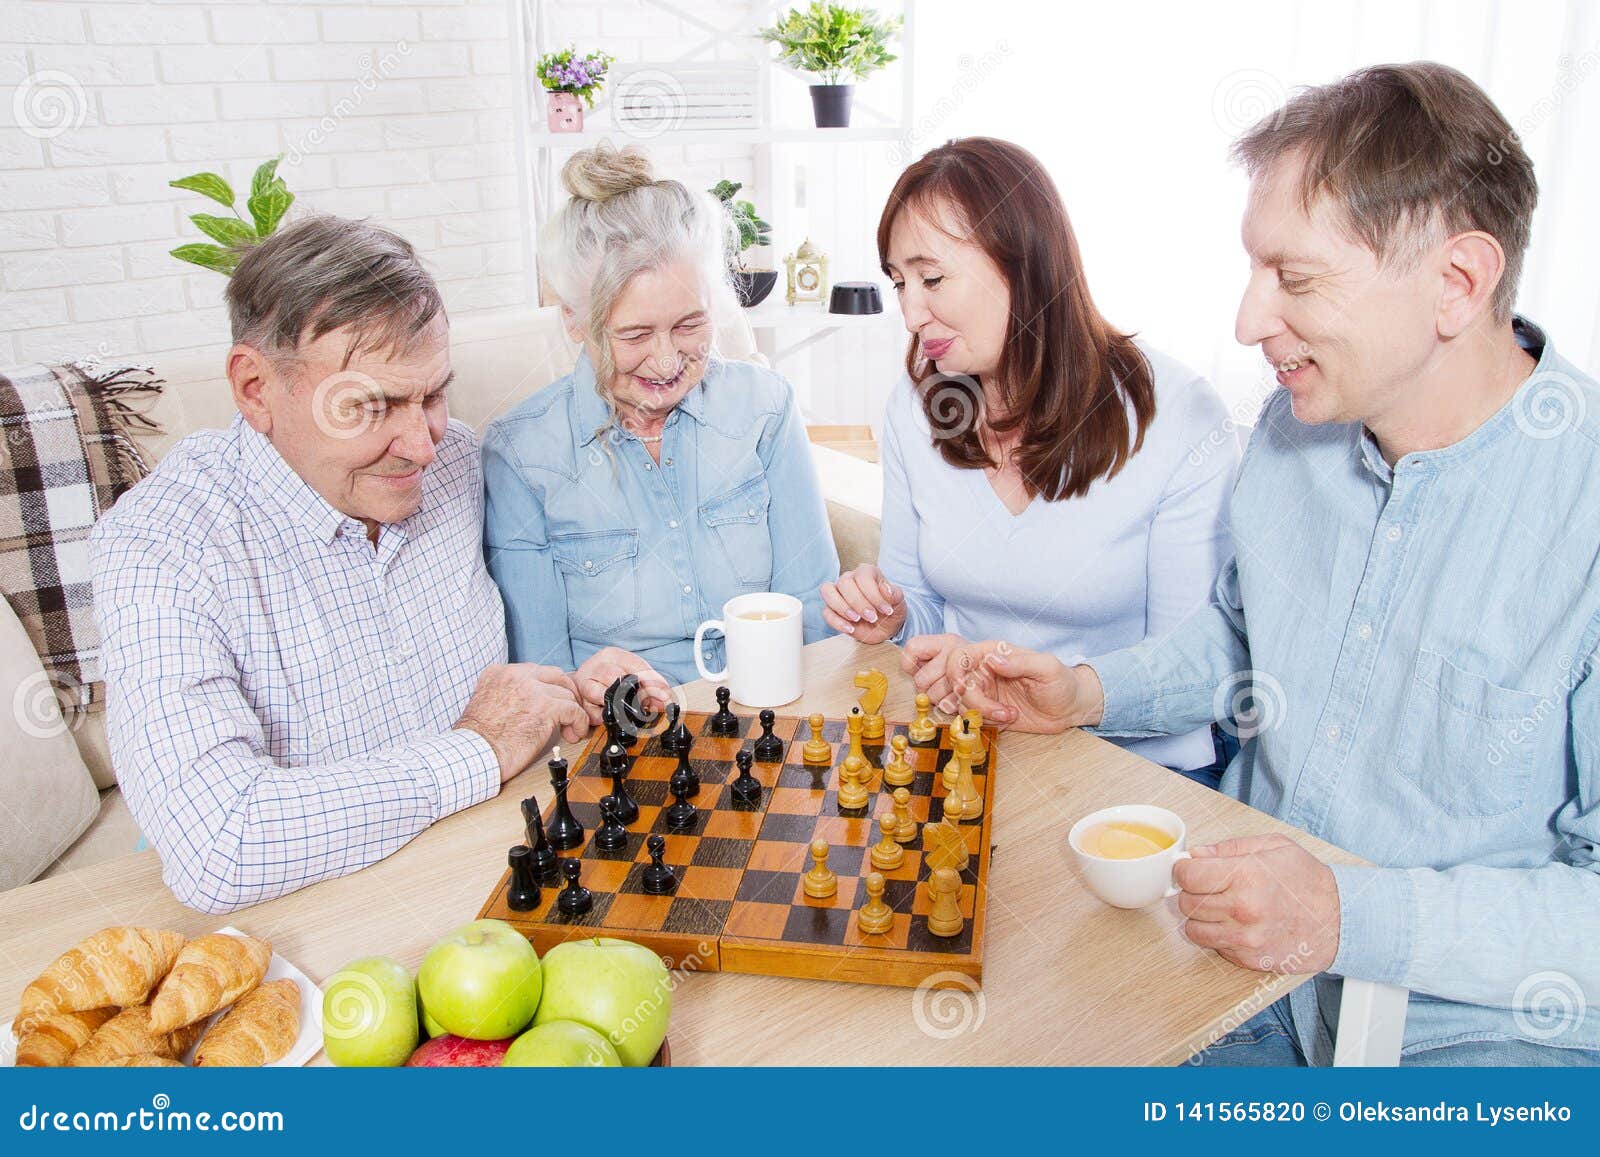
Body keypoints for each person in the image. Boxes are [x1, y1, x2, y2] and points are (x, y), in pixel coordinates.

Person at [923, 64, 1599, 1065]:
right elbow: (1245, 634)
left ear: (1457, 282)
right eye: (1253, 270)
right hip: (1237, 984)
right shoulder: (1295, 430)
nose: (1247, 320)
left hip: (1471, 1037)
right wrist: (1082, 690)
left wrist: (1345, 911)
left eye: (1295, 276)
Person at [90, 217, 591, 915]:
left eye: (434, 394)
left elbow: (523, 667)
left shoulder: (456, 464)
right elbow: (219, 842)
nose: (421, 444)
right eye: (369, 405)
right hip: (311, 923)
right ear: (255, 387)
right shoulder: (161, 545)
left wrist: (572, 688)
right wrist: (477, 748)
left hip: (498, 877)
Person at [820, 137, 1238, 783]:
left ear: (1027, 264)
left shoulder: (1177, 415)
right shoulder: (917, 405)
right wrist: (896, 617)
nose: (909, 312)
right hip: (973, 746)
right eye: (899, 282)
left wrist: (1072, 693)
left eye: (931, 279)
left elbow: (1194, 665)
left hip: (1135, 770)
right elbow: (923, 612)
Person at [483, 143, 839, 710]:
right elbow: (544, 670)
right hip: (631, 731)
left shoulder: (765, 408)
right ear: (574, 320)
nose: (669, 361)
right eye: (634, 335)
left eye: (690, 324)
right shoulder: (521, 453)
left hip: (777, 703)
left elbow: (813, 608)